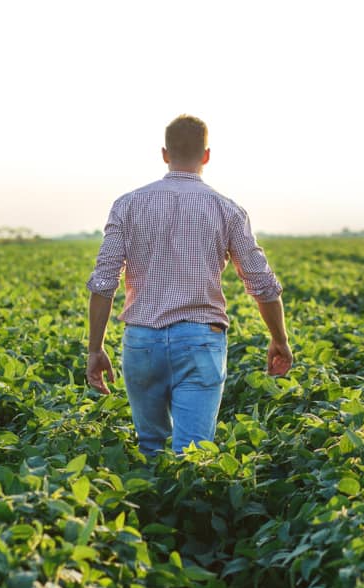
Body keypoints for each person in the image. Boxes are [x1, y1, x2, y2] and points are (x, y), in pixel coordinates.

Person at [86, 114, 293, 456]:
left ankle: (151, 506)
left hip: (142, 340)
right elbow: (262, 284)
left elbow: (104, 282)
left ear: (165, 154)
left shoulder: (128, 204)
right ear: (206, 155)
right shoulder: (226, 209)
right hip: (201, 339)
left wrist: (95, 349)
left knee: (150, 447)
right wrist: (279, 339)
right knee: (194, 453)